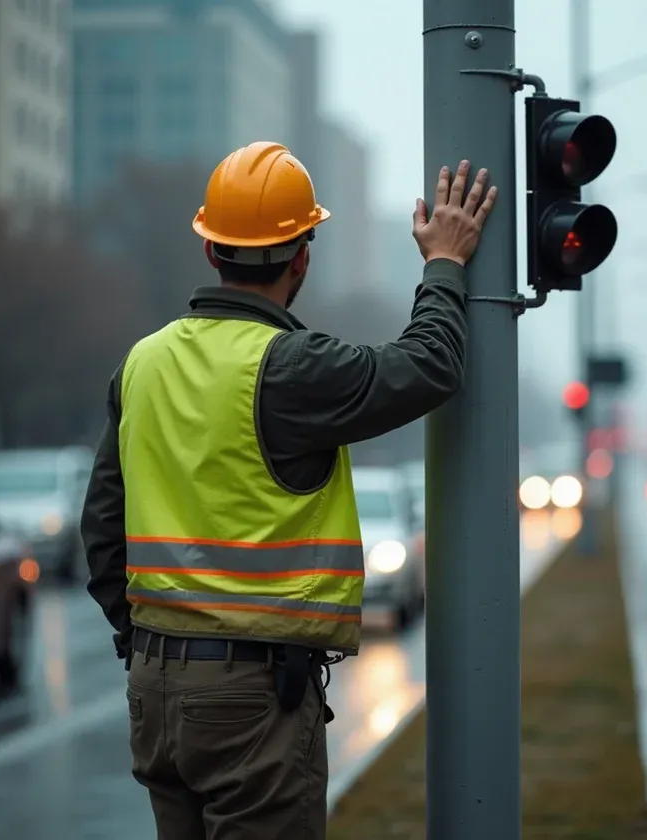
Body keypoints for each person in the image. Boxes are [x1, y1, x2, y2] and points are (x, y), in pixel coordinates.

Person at [80, 141, 498, 840]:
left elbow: (101, 529)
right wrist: (445, 264)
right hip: (250, 697)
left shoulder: (142, 363)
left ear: (211, 249)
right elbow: (428, 366)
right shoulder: (291, 367)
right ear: (302, 256)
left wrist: (145, 643)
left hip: (155, 688)